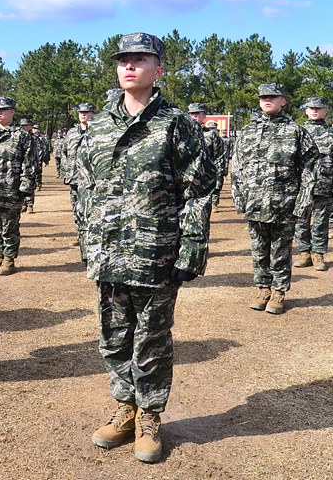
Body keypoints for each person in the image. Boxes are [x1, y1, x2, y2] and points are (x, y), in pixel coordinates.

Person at [78, 32, 215, 463]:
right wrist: (88, 239)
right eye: (123, 60)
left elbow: (200, 188)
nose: (129, 66)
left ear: (159, 70)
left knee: (151, 337)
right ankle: (125, 408)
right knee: (113, 336)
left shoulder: (176, 124)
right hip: (108, 251)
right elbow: (87, 186)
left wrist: (192, 245)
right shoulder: (99, 124)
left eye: (140, 59)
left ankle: (150, 415)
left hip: (155, 251)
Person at [231, 84, 318, 314]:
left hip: (284, 204)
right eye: (263, 97)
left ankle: (279, 292)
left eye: (272, 96)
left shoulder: (296, 132)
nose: (267, 100)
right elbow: (237, 168)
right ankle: (263, 289)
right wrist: (239, 198)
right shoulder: (248, 132)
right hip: (255, 203)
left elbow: (310, 169)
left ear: (283, 101)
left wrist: (302, 201)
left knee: (280, 250)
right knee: (258, 250)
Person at [0, 97, 37, 276]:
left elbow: (30, 165)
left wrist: (25, 191)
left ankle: (9, 259)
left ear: (12, 111)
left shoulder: (22, 136)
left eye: (3, 110)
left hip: (11, 190)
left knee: (9, 227)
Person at [293, 98, 333, 271]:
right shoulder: (298, 131)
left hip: (324, 184)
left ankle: (318, 254)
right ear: (306, 110)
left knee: (321, 221)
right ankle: (304, 253)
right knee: (301, 220)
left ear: (325, 111)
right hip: (301, 185)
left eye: (318, 108)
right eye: (311, 108)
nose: (314, 111)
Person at [61, 102, 94, 259]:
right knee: (77, 209)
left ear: (92, 114)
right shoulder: (71, 133)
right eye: (81, 112)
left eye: (86, 112)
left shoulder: (97, 131)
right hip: (74, 178)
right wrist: (66, 172)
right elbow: (65, 153)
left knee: (90, 209)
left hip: (90, 180)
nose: (83, 114)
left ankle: (90, 236)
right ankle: (80, 236)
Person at [187, 103, 227, 213]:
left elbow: (219, 155)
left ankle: (214, 203)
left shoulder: (210, 135)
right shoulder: (183, 133)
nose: (194, 116)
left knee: (202, 213)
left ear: (204, 116)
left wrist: (217, 174)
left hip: (205, 178)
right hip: (186, 180)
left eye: (197, 113)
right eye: (191, 114)